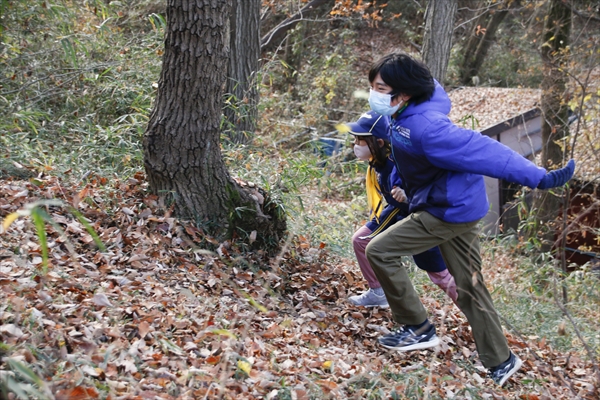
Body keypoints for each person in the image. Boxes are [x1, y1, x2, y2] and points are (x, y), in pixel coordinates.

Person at [364, 52, 576, 387]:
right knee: (471, 287)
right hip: (459, 206)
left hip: (446, 210)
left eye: (380, 88)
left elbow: (488, 152)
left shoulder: (429, 128)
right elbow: (412, 158)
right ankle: (502, 360)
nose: (373, 95)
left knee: (379, 250)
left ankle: (417, 327)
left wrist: (539, 177)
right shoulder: (402, 112)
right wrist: (401, 181)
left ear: (402, 93)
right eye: (373, 87)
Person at [340, 110, 458, 309]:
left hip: (420, 218)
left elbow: (429, 189)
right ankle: (379, 292)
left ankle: (475, 312)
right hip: (397, 211)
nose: (356, 145)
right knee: (362, 241)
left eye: (361, 140)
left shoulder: (399, 162)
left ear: (379, 143)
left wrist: (408, 195)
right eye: (356, 140)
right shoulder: (379, 161)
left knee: (439, 275)